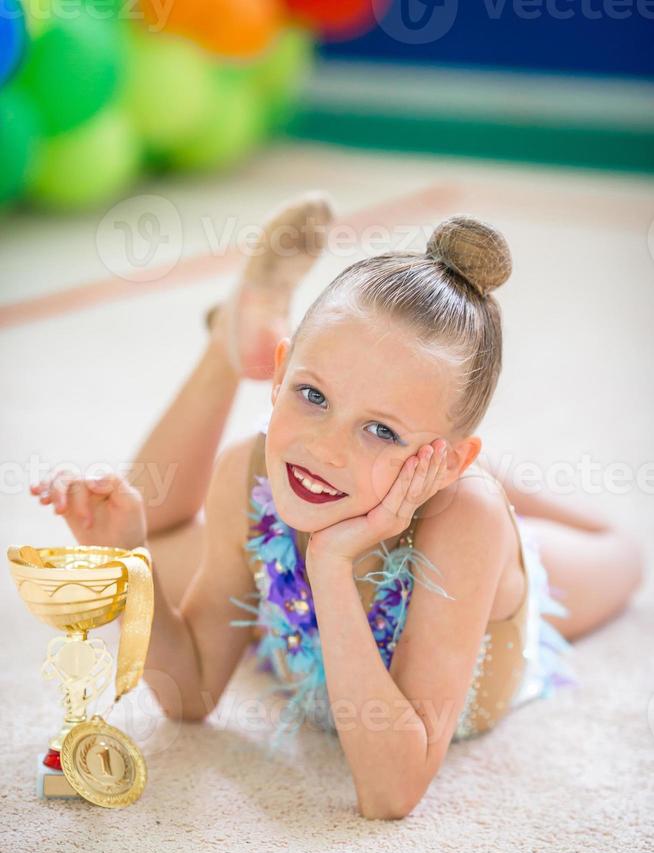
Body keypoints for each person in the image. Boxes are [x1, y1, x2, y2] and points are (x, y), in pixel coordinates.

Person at [30, 193, 644, 820]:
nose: (325, 449)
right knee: (151, 540)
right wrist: (125, 557)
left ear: (446, 462)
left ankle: (506, 483)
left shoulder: (463, 524)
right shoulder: (252, 472)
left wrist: (329, 563)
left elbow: (390, 791)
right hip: (381, 497)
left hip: (474, 565)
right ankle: (228, 345)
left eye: (381, 430)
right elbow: (190, 695)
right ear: (279, 373)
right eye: (312, 394)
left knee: (625, 555)